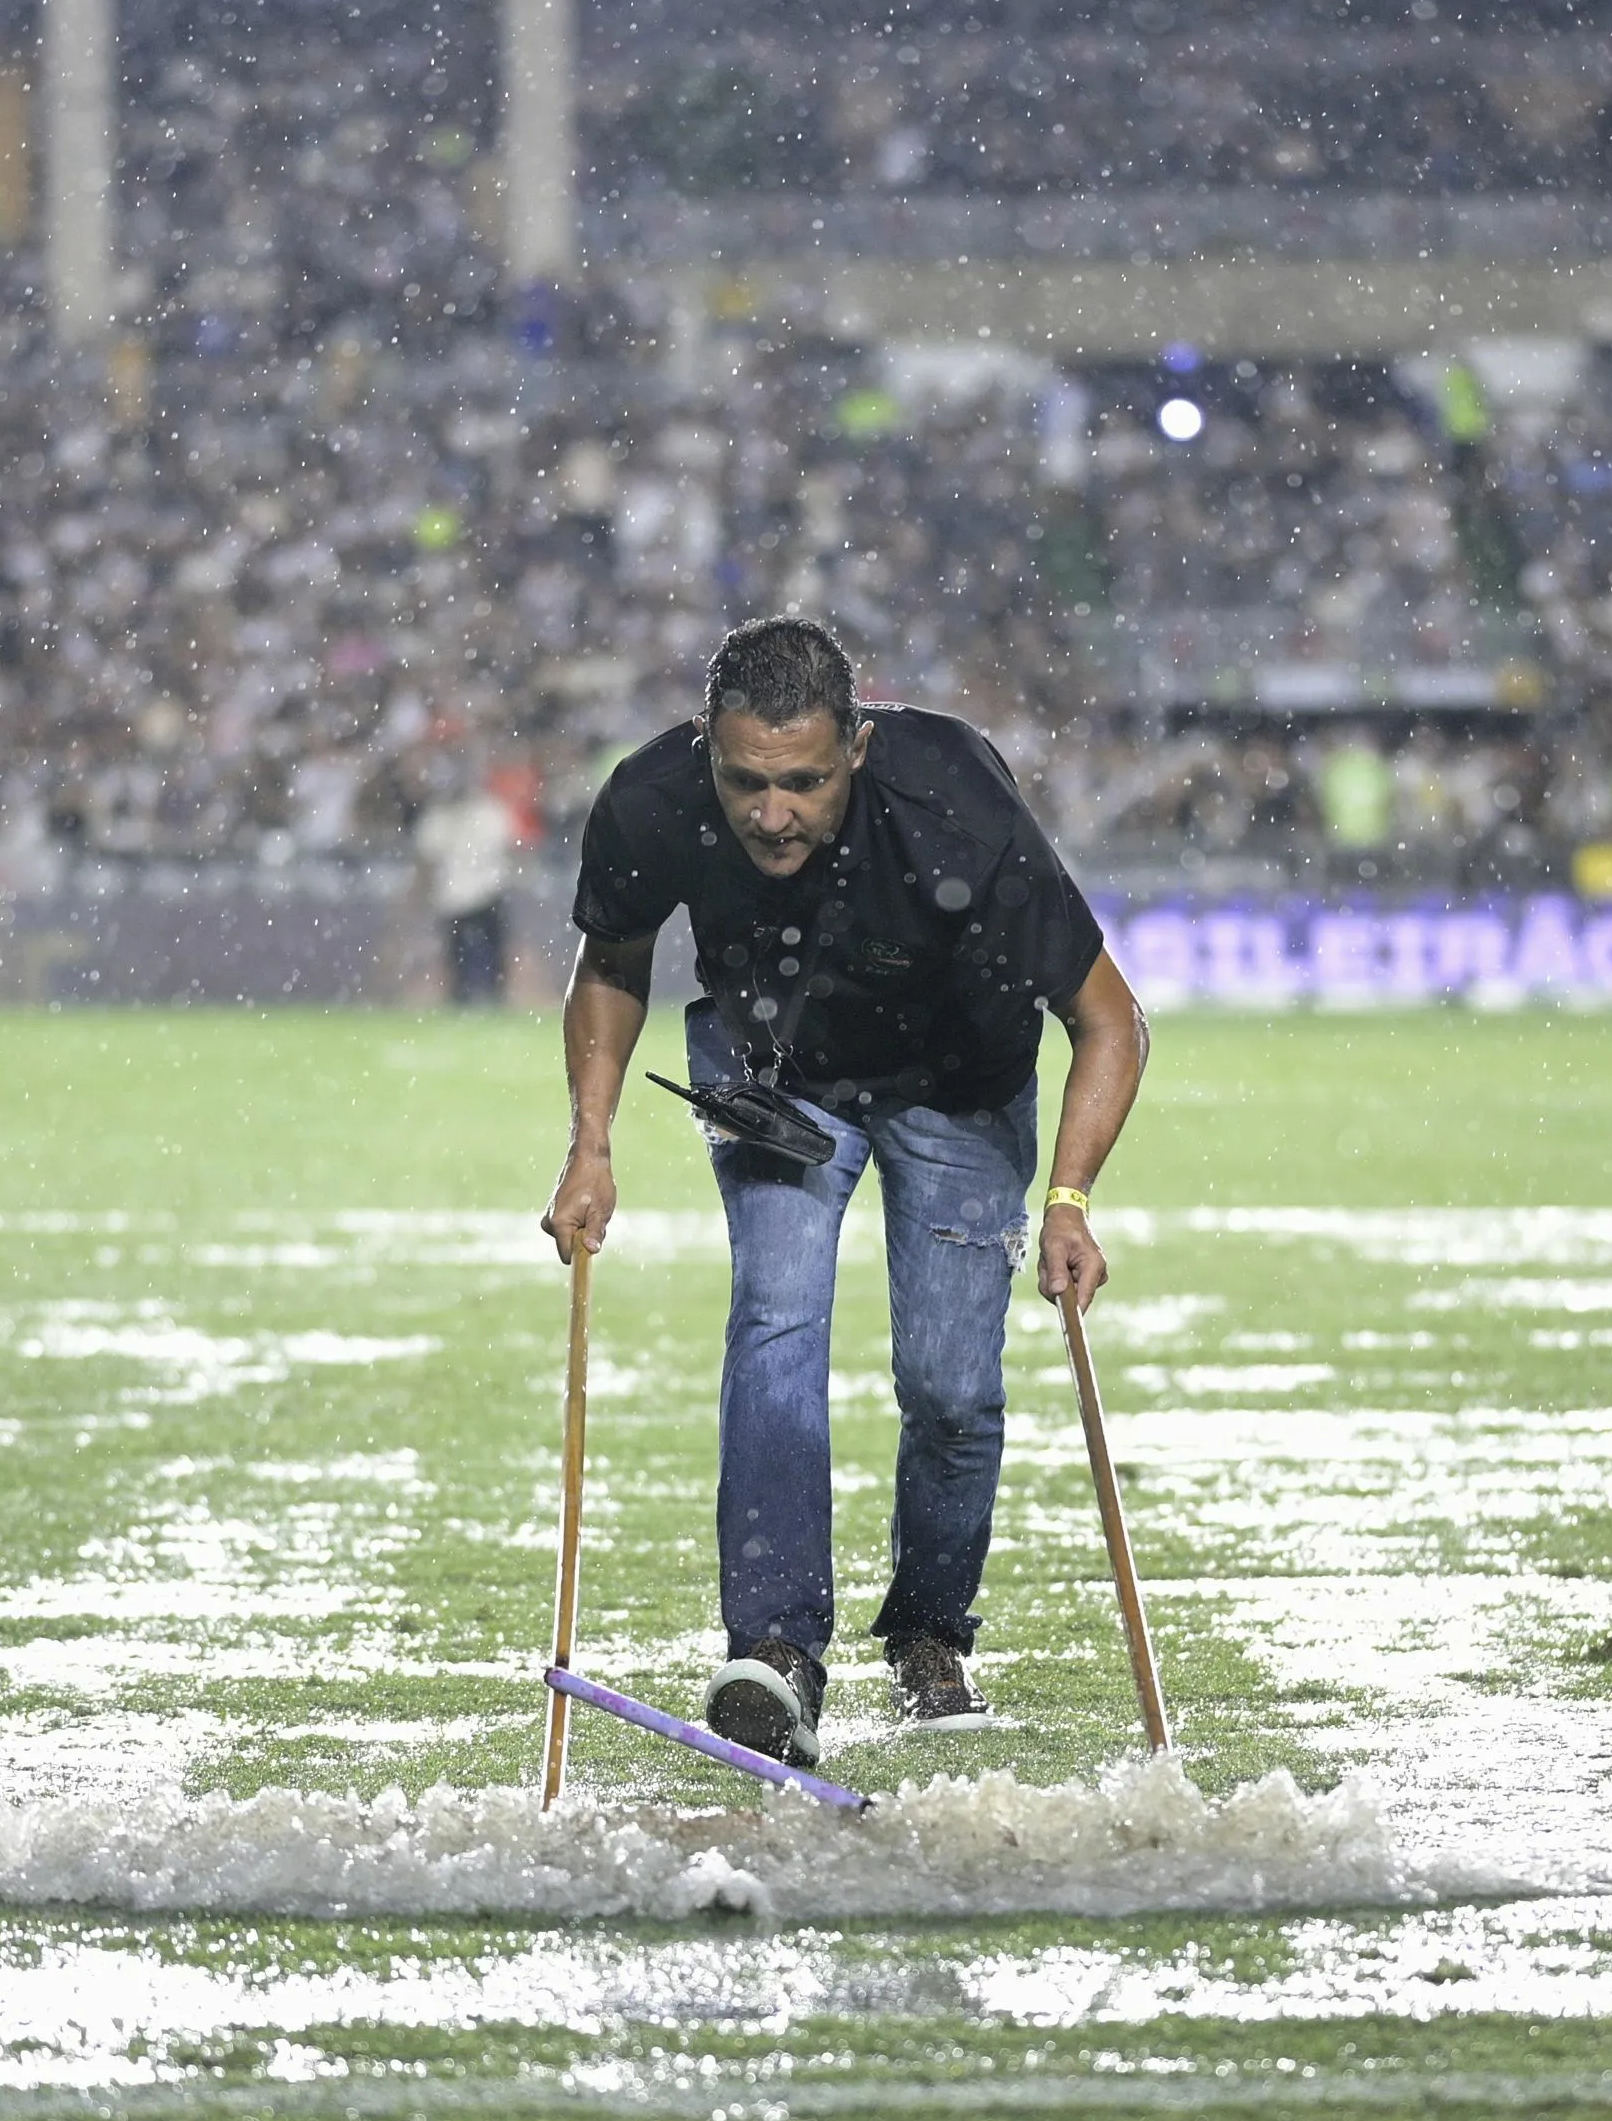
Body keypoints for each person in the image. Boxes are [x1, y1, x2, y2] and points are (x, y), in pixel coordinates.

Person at [540, 616, 1150, 1765]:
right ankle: (774, 1652)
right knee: (774, 1321)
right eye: (745, 782)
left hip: (960, 1086)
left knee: (950, 1381)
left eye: (804, 784)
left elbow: (1109, 1019)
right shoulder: (650, 797)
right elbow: (611, 963)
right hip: (775, 1077)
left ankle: (927, 1633)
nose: (772, 814)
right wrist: (591, 1142)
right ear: (707, 750)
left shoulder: (953, 796)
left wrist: (1069, 1201)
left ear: (857, 749)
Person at [413, 765, 521, 1006]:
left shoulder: (488, 812)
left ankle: (489, 995)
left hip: (481, 892)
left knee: (486, 951)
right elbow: (428, 861)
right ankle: (467, 996)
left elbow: (510, 850)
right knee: (460, 954)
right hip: (460, 895)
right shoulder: (443, 816)